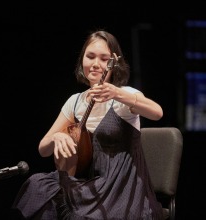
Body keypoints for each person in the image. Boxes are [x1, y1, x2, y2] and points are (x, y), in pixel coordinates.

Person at [11, 30, 164, 220]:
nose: (95, 64)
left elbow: (157, 112)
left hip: (121, 187)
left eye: (103, 58)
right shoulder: (75, 102)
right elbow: (43, 149)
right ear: (82, 60)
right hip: (90, 185)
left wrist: (117, 94)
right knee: (38, 186)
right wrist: (57, 136)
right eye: (90, 57)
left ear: (113, 64)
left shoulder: (124, 95)